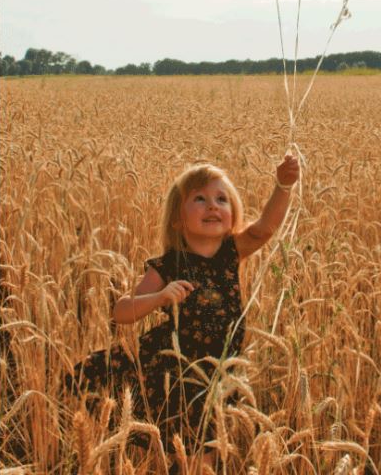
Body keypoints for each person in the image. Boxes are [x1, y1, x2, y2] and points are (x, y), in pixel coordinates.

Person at [63, 154, 300, 474]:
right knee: (189, 454)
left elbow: (264, 229)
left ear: (233, 215)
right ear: (177, 219)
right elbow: (122, 312)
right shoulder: (168, 266)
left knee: (207, 451)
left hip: (219, 374)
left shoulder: (232, 253)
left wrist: (283, 185)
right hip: (177, 376)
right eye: (199, 199)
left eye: (221, 199)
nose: (212, 206)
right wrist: (160, 296)